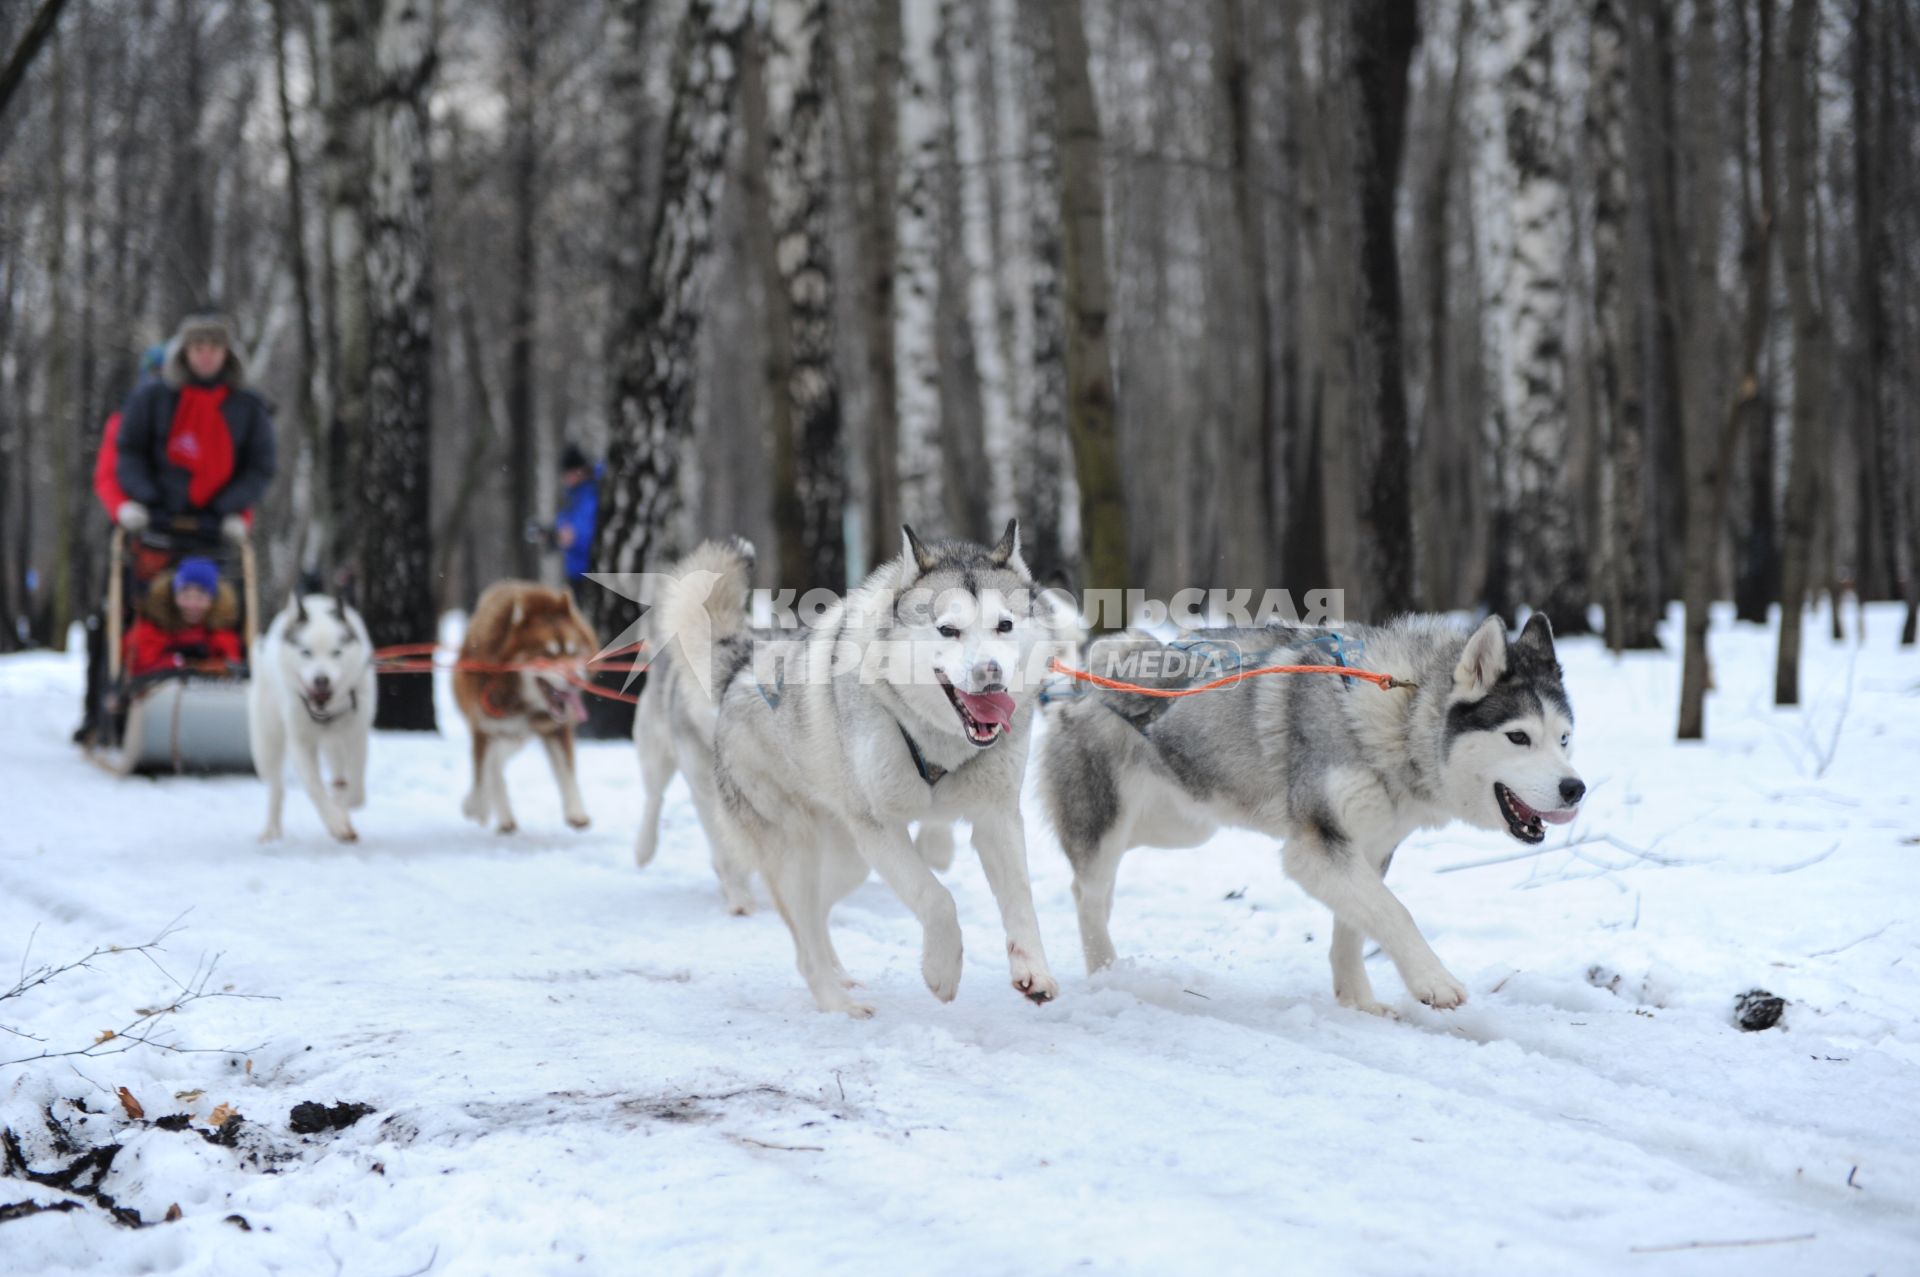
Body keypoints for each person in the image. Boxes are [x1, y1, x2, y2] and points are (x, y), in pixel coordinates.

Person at [115, 312, 276, 542]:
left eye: (214, 347)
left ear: (226, 353)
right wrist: (145, 499)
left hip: (217, 528)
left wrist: (227, 508)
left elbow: (260, 467)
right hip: (154, 521)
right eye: (198, 347)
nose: (206, 355)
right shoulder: (152, 398)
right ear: (185, 351)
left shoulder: (249, 407)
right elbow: (130, 450)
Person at [123, 557, 243, 681]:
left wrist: (207, 667)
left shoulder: (222, 636)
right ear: (173, 595)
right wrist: (175, 662)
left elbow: (233, 669)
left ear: (214, 600)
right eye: (185, 595)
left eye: (201, 597)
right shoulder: (150, 632)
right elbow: (135, 669)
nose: (192, 604)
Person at [552, 443, 600, 590]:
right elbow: (563, 522)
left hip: (589, 574)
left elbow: (592, 532)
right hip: (575, 574)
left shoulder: (592, 494)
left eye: (569, 473)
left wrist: (573, 537)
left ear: (580, 471)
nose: (566, 478)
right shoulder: (573, 496)